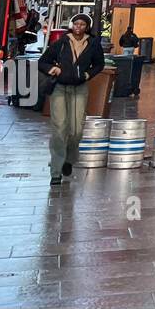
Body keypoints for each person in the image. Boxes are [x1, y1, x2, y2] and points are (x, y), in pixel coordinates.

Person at [39, 14, 106, 186]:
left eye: (82, 24)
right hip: (60, 88)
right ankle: (56, 170)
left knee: (76, 129)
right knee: (59, 128)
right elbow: (43, 61)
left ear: (87, 27)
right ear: (71, 25)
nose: (78, 27)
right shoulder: (61, 42)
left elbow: (99, 64)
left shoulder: (93, 44)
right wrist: (53, 68)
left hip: (79, 88)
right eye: (76, 23)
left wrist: (87, 74)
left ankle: (69, 159)